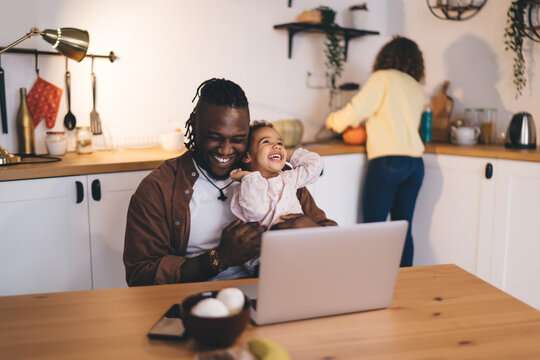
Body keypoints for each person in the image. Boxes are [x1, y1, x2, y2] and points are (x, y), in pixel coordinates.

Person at [124, 78, 336, 286]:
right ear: (194, 128)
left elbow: (335, 241)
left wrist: (311, 230)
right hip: (197, 305)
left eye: (237, 139)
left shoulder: (277, 177)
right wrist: (219, 259)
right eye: (215, 137)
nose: (225, 150)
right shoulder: (159, 189)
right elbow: (141, 275)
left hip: (274, 294)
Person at [325, 36, 426, 267]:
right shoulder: (415, 86)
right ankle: (405, 286)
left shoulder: (382, 78)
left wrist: (332, 121)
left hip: (389, 161)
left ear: (386, 56)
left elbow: (356, 110)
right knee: (404, 229)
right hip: (415, 164)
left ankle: (370, 285)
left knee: (374, 229)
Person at [229, 121, 325, 273]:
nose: (277, 146)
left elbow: (315, 166)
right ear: (247, 156)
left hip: (299, 249)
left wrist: (291, 154)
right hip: (265, 259)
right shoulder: (246, 185)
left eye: (280, 143)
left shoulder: (289, 177)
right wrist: (248, 177)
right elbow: (256, 210)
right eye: (266, 142)